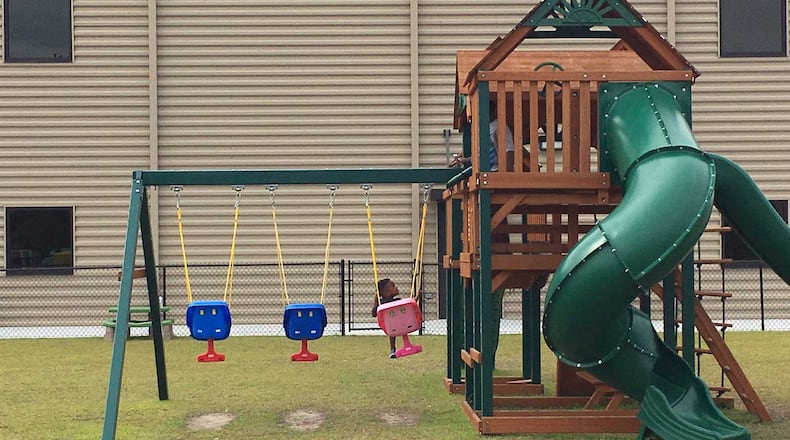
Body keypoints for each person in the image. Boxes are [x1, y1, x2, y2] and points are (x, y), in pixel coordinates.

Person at [372, 278, 400, 358]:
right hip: (390, 325)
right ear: (387, 293)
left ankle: (393, 349)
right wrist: (376, 301)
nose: (397, 288)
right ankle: (393, 348)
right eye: (393, 286)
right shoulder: (382, 304)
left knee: (394, 328)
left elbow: (409, 304)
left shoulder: (397, 301)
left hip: (400, 322)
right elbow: (374, 313)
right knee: (392, 328)